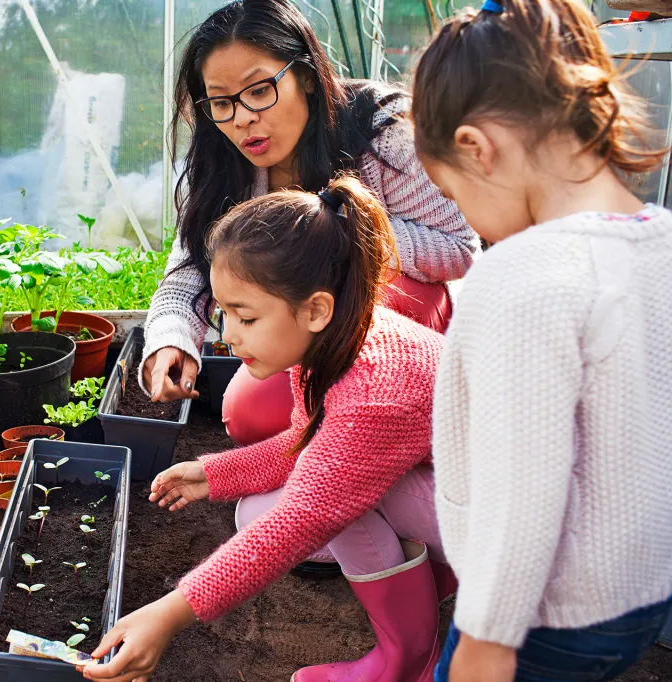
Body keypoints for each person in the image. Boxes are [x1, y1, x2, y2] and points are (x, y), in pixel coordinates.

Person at [411, 1, 672, 680]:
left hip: (542, 618)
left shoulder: (522, 278)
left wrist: (485, 639)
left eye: (453, 192)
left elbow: (521, 491)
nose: (470, 221)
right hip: (645, 596)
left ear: (477, 149)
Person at [81, 176, 448, 682]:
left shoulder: (373, 391)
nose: (227, 335)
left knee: (330, 508)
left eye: (245, 317)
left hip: (515, 524)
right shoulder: (333, 340)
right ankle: (437, 576)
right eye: (223, 312)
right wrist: (214, 474)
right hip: (455, 487)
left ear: (315, 309)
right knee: (258, 509)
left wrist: (166, 615)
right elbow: (306, 441)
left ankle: (409, 660)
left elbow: (302, 518)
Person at [140, 0, 478, 446]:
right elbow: (190, 272)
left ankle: (377, 436)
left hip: (400, 311)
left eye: (259, 90)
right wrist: (171, 341)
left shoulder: (381, 131)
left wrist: (344, 232)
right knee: (248, 417)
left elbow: (459, 249)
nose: (242, 118)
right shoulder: (224, 164)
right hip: (303, 329)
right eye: (221, 102)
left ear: (306, 77)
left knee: (314, 406)